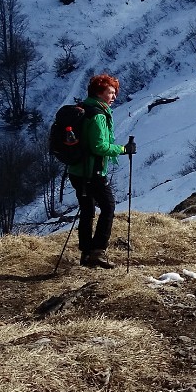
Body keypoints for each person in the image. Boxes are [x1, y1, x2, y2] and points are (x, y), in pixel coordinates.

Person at [68, 73, 135, 268]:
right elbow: (99, 146)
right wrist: (123, 149)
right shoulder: (98, 115)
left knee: (87, 210)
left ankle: (86, 253)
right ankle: (98, 251)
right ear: (99, 93)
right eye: (110, 92)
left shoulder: (84, 109)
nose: (114, 97)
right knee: (108, 206)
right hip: (93, 171)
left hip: (77, 170)